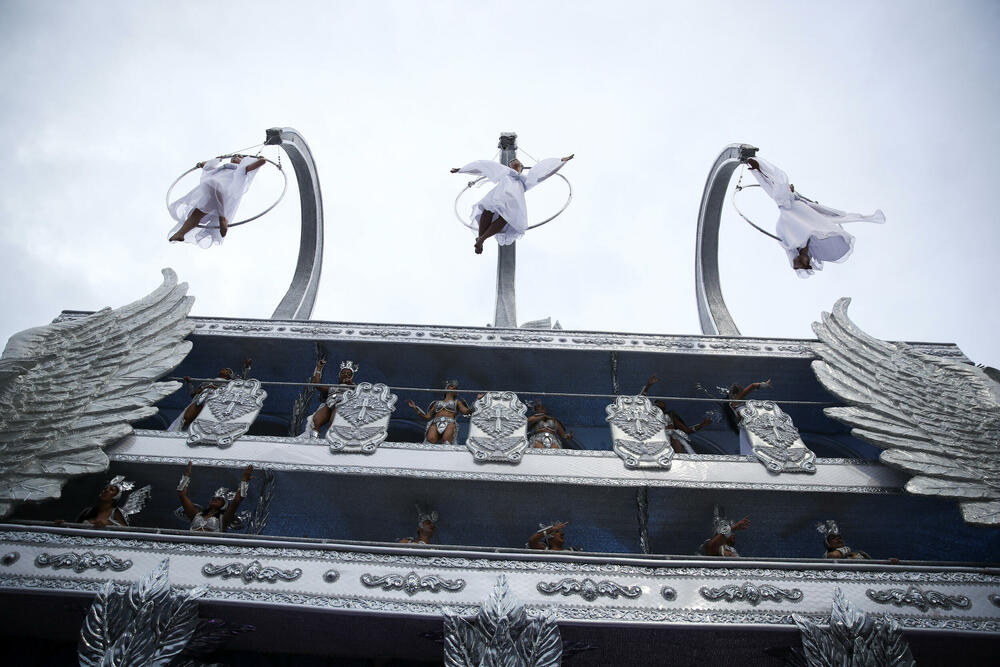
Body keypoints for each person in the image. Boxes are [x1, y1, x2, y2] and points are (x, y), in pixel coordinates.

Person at [747, 157, 885, 277]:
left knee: (780, 185)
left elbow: (772, 188)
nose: (802, 261)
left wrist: (757, 171)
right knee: (780, 184)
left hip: (791, 218)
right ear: (808, 262)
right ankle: (756, 167)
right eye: (805, 264)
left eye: (799, 264)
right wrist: (795, 194)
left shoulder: (792, 246)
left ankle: (756, 167)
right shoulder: (814, 247)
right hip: (797, 213)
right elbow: (779, 189)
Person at [451, 153, 574, 254]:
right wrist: (462, 170)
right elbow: (485, 166)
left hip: (514, 198)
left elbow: (542, 171)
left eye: (517, 162)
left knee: (506, 218)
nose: (514, 162)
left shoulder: (525, 180)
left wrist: (560, 161)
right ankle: (480, 239)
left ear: (521, 167)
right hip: (499, 194)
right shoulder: (505, 172)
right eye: (512, 162)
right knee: (488, 210)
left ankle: (481, 239)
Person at [168, 154, 267, 247]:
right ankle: (180, 233)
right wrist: (215, 160)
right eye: (234, 155)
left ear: (244, 161)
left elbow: (262, 161)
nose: (236, 156)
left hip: (226, 192)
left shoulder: (241, 170)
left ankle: (222, 218)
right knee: (197, 213)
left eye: (240, 156)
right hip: (212, 192)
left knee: (214, 183)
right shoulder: (220, 169)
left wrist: (258, 159)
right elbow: (205, 165)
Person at [171, 359, 252, 431]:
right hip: (201, 399)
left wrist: (247, 367)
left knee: (203, 421)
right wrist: (189, 383)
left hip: (215, 402)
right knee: (186, 418)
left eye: (227, 370)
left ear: (230, 376)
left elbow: (243, 382)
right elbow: (193, 394)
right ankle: (178, 431)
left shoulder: (229, 384)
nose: (224, 370)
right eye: (224, 369)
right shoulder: (207, 381)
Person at [640, 375, 712, 454]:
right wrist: (648, 386)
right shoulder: (650, 416)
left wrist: (701, 425)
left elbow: (687, 430)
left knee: (677, 442)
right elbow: (639, 402)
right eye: (657, 402)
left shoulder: (670, 415)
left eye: (662, 402)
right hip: (657, 438)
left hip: (673, 437)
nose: (660, 404)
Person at [176, 461, 253, 533]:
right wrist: (187, 475)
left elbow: (237, 500)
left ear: (224, 504)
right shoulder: (196, 514)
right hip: (191, 542)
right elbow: (182, 495)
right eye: (213, 498)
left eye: (219, 499)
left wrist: (244, 480)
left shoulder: (223, 519)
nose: (215, 499)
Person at [303, 360, 358, 438]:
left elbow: (361, 393)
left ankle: (330, 439)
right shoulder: (332, 387)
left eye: (349, 374)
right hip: (329, 405)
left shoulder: (354, 388)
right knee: (317, 420)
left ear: (351, 377)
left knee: (334, 421)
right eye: (343, 373)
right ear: (339, 375)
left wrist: (351, 384)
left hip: (341, 406)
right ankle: (314, 439)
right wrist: (319, 368)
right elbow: (317, 385)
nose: (345, 375)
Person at [407, 380, 472, 444]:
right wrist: (415, 408)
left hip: (450, 423)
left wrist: (476, 404)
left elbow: (466, 411)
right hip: (435, 423)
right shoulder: (436, 403)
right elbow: (427, 417)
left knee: (446, 442)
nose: (453, 388)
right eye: (451, 386)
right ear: (446, 388)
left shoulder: (457, 402)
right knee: (430, 441)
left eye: (456, 388)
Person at [74, 475, 150, 528]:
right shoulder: (88, 512)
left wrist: (107, 525)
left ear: (116, 496)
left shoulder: (117, 513)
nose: (106, 490)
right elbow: (75, 528)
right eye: (105, 489)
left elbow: (125, 531)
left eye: (111, 490)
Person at [726, 379, 771, 455]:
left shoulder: (738, 403)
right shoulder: (736, 400)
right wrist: (763, 385)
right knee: (751, 447)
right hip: (747, 426)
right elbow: (752, 386)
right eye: (742, 391)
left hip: (750, 426)